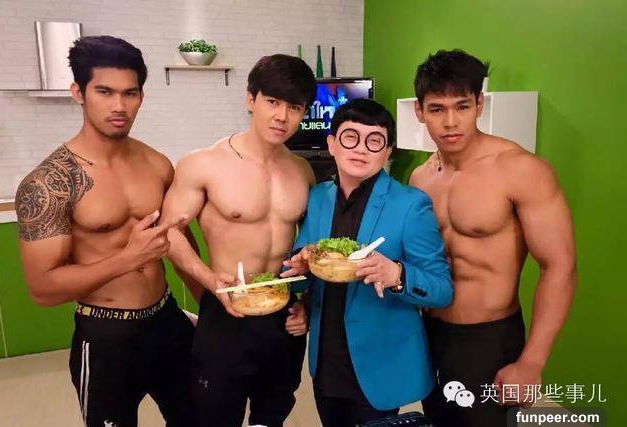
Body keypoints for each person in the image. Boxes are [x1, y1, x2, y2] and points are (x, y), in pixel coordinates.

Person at [14, 35, 201, 426]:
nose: (119, 106)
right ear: (78, 93)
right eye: (104, 92)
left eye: (129, 93)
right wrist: (128, 258)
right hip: (105, 333)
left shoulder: (157, 164)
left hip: (166, 320)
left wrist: (213, 310)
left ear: (141, 96)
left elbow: (181, 242)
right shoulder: (49, 183)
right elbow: (43, 290)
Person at [408, 49, 577, 427]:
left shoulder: (521, 170)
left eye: (462, 106)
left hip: (490, 339)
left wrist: (532, 362)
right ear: (419, 112)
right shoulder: (420, 178)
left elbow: (560, 266)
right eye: (436, 109)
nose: (450, 122)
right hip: (431, 332)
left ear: (479, 105)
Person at [160, 54, 316, 427]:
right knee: (215, 415)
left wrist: (308, 303)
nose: (282, 116)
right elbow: (168, 231)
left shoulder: (303, 171)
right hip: (227, 309)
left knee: (273, 412)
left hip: (282, 313)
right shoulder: (204, 163)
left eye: (294, 107)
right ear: (250, 99)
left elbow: (311, 247)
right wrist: (208, 279)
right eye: (272, 101)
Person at [281, 98, 453, 427]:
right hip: (326, 361)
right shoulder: (318, 197)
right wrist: (300, 267)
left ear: (387, 152)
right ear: (332, 144)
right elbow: (301, 269)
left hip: (380, 364)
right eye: (350, 137)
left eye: (374, 141)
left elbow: (442, 289)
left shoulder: (410, 204)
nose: (361, 149)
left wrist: (397, 274)